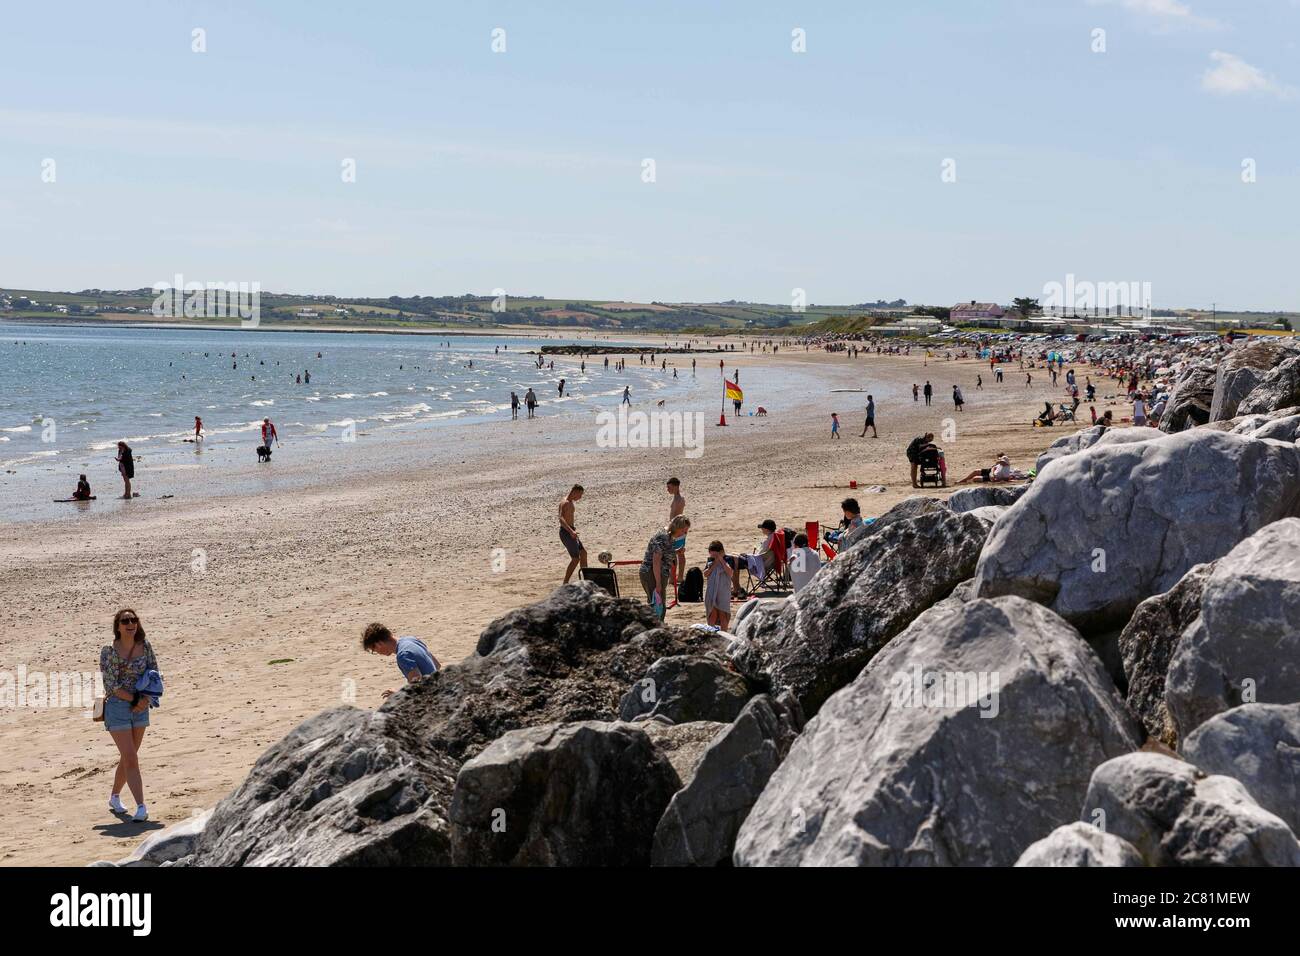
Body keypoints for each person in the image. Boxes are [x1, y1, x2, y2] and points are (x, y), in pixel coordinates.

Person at [100, 609, 158, 822]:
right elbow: (111, 684)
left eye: (133, 620)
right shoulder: (109, 651)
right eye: (125, 620)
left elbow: (155, 674)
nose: (130, 623)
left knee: (128, 756)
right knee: (131, 757)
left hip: (142, 706)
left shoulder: (146, 646)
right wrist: (133, 700)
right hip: (118, 707)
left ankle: (115, 796)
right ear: (118, 626)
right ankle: (141, 806)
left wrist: (145, 700)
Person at [361, 623, 441, 698]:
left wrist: (398, 694)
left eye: (374, 650)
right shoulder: (412, 640)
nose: (378, 653)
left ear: (379, 644)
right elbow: (437, 665)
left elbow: (417, 685)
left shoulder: (403, 655)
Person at [642, 515, 690, 618]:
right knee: (657, 606)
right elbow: (656, 561)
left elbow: (665, 553)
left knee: (658, 604)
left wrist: (677, 552)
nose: (684, 534)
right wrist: (658, 583)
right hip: (652, 573)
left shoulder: (670, 537)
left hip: (659, 573)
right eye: (683, 531)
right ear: (677, 528)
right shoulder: (662, 537)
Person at [559, 484, 587, 583]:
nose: (580, 497)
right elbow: (561, 519)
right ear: (574, 492)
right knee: (575, 559)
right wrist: (571, 532)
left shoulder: (570, 501)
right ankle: (565, 583)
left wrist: (572, 531)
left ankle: (586, 580)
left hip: (571, 531)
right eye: (580, 495)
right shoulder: (565, 503)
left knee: (583, 553)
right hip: (567, 533)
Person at [703, 540, 734, 629]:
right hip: (711, 591)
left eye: (715, 554)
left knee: (723, 614)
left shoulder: (728, 559)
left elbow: (730, 573)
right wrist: (715, 563)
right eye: (710, 553)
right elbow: (705, 574)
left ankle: (724, 634)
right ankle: (711, 633)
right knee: (712, 614)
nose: (712, 556)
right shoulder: (710, 561)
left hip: (723, 591)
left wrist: (721, 560)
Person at [667, 477, 687, 586]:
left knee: (680, 553)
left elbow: (678, 516)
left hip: (678, 529)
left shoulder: (680, 499)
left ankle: (679, 577)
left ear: (675, 486)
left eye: (669, 487)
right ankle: (673, 577)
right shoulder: (676, 498)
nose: (668, 489)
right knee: (673, 553)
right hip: (674, 529)